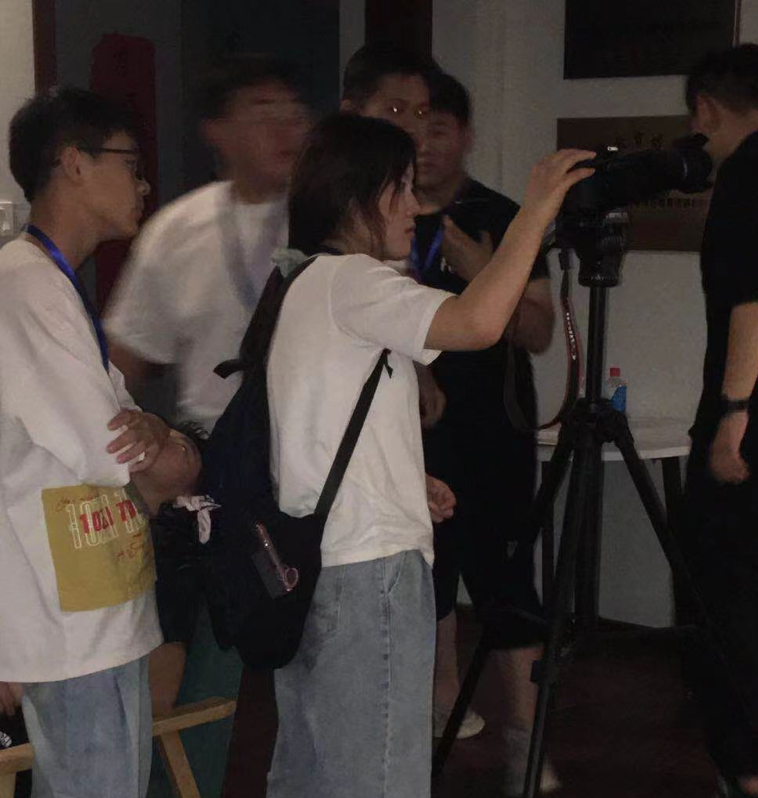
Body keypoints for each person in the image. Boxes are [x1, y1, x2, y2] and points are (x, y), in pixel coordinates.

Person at [263, 112, 593, 798]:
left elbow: (316, 423)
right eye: (402, 189)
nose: (415, 207)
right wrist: (535, 212)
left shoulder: (306, 281)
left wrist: (404, 479)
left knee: (316, 769)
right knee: (381, 775)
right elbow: (478, 322)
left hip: (323, 559)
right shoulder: (354, 280)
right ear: (359, 196)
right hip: (367, 571)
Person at [105, 55, 310, 798]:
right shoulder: (177, 229)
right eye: (261, 109)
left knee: (309, 644)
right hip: (210, 460)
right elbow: (125, 359)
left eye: (292, 109)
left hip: (307, 457)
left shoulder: (325, 215)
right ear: (217, 130)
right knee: (199, 646)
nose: (285, 126)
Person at [0, 85, 167, 798]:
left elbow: (132, 426)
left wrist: (157, 433)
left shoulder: (52, 284)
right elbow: (112, 450)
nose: (143, 184)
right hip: (67, 622)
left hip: (93, 605)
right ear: (73, 163)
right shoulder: (27, 285)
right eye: (130, 164)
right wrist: (160, 442)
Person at [412, 70, 559, 793]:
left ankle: (527, 742)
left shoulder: (502, 215)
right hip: (410, 430)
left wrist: (481, 271)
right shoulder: (381, 215)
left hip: (495, 428)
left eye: (438, 128)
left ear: (465, 136)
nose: (424, 143)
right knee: (423, 577)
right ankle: (439, 717)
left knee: (506, 577)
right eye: (412, 125)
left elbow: (538, 333)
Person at [683, 44, 758, 798]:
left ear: (705, 108)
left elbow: (751, 301)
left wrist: (733, 416)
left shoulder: (746, 174)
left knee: (727, 592)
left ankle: (746, 767)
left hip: (749, 412)